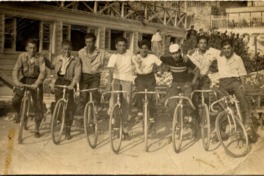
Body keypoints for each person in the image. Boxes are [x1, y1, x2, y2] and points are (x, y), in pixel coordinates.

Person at [213, 39, 253, 134]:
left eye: (229, 48)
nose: (227, 50)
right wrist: (192, 51)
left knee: (242, 96)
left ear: (232, 48)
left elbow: (242, 73)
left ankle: (248, 121)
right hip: (223, 82)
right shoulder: (219, 56)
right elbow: (206, 50)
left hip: (234, 81)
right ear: (222, 49)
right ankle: (221, 128)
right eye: (224, 48)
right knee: (221, 102)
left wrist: (243, 84)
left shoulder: (237, 58)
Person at [12, 38, 46, 138]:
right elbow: (15, 70)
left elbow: (43, 72)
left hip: (36, 81)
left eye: (34, 48)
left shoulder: (40, 58)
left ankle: (37, 129)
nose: (32, 50)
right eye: (30, 48)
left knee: (38, 105)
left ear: (37, 48)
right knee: (15, 100)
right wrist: (17, 82)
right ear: (26, 48)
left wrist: (37, 83)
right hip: (25, 79)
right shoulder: (22, 56)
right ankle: (19, 113)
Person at [160, 44, 199, 126]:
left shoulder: (185, 60)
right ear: (170, 54)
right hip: (175, 83)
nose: (175, 55)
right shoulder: (168, 60)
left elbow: (197, 70)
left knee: (188, 99)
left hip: (186, 83)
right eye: (173, 53)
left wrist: (193, 82)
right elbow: (159, 56)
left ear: (180, 52)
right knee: (170, 102)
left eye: (177, 53)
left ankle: (189, 117)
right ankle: (177, 121)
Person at [50, 40, 81, 140]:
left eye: (69, 49)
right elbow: (53, 72)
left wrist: (73, 85)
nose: (67, 51)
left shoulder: (75, 60)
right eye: (65, 49)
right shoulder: (57, 59)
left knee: (69, 107)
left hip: (69, 82)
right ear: (61, 49)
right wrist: (52, 83)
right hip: (59, 81)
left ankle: (68, 129)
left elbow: (77, 74)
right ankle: (59, 119)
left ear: (71, 49)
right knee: (58, 103)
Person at [107, 37, 135, 140]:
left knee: (126, 105)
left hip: (127, 80)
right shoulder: (113, 56)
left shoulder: (130, 53)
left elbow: (137, 60)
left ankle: (125, 130)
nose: (122, 47)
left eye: (124, 45)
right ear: (116, 46)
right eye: (119, 45)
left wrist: (138, 65)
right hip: (116, 80)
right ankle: (116, 128)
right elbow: (110, 69)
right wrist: (110, 82)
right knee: (115, 104)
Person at [77, 33, 111, 115]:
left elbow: (113, 57)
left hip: (95, 77)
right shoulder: (81, 52)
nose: (89, 44)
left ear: (94, 42)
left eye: (90, 42)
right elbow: (77, 64)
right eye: (87, 42)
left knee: (93, 93)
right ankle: (81, 118)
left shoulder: (101, 52)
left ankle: (93, 115)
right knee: (83, 97)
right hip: (84, 77)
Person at [132, 40, 162, 128]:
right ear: (139, 49)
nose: (144, 50)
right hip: (140, 78)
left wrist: (159, 71)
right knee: (139, 92)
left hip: (150, 78)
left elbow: (160, 64)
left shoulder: (152, 57)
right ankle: (140, 111)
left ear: (148, 49)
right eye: (142, 48)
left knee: (150, 97)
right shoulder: (135, 57)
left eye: (146, 48)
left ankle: (152, 116)